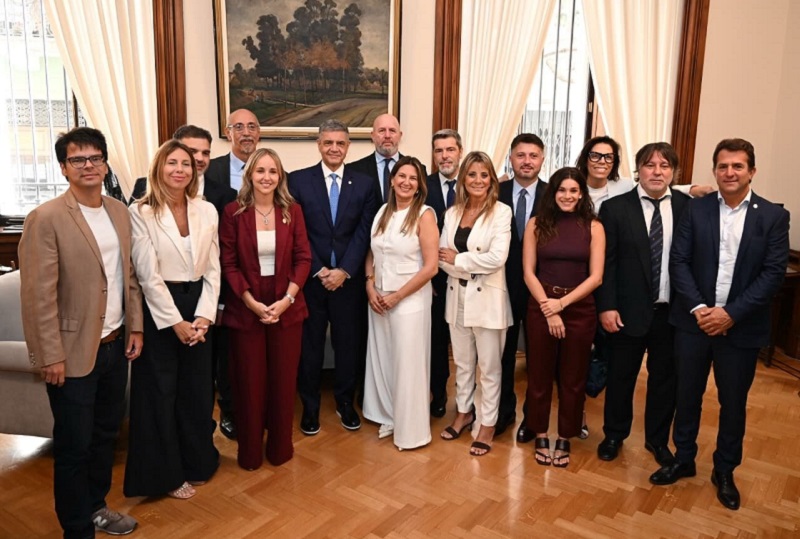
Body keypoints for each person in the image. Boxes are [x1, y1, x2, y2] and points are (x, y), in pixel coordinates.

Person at [650, 138, 790, 511]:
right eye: (723, 166)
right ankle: (683, 458)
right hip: (693, 322)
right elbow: (678, 261)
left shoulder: (773, 217)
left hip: (740, 329)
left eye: (738, 166)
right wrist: (699, 308)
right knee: (687, 395)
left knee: (733, 403)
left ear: (752, 172)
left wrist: (730, 314)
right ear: (714, 171)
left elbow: (773, 274)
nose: (730, 172)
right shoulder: (695, 211)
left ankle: (725, 471)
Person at [19, 127, 143, 538]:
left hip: (113, 346)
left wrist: (135, 327)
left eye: (95, 158)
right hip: (70, 352)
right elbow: (38, 295)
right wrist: (49, 355)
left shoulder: (118, 211)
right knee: (73, 446)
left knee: (105, 436)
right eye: (78, 160)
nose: (88, 166)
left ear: (105, 164)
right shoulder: (47, 217)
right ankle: (76, 528)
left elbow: (129, 278)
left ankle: (97, 507)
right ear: (63, 168)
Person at [125, 139, 221, 500]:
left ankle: (198, 462)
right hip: (160, 309)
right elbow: (147, 275)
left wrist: (204, 317)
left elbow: (214, 268)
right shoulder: (141, 212)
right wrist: (175, 322)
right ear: (159, 168)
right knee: (161, 395)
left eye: (186, 163)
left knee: (196, 393)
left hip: (198, 306)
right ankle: (166, 476)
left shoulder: (207, 210)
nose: (180, 169)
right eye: (172, 163)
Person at [595, 143, 690, 466]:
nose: (657, 171)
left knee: (665, 381)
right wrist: (606, 306)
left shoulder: (687, 207)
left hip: (671, 314)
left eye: (665, 165)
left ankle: (657, 440)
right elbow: (606, 264)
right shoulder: (615, 208)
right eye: (650, 165)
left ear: (674, 172)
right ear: (639, 169)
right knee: (621, 377)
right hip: (625, 311)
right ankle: (614, 434)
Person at [219, 148, 311, 469]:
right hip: (247, 310)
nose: (266, 177)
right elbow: (228, 263)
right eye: (260, 171)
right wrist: (251, 302)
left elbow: (304, 259)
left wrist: (286, 300)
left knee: (284, 383)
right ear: (249, 176)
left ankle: (280, 449)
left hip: (287, 309)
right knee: (249, 383)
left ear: (280, 176)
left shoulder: (293, 212)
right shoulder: (233, 212)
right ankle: (250, 453)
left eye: (273, 171)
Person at [288, 119, 379, 435]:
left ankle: (344, 403)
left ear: (348, 146)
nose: (334, 148)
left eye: (340, 143)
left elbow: (364, 232)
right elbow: (296, 233)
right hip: (310, 282)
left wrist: (345, 271)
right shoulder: (297, 181)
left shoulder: (365, 184)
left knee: (348, 346)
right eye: (328, 143)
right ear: (318, 144)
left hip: (348, 283)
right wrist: (318, 269)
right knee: (309, 348)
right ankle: (310, 409)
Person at [522, 167, 605, 468]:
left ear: (581, 193)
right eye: (561, 190)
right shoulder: (536, 224)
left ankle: (566, 436)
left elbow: (596, 277)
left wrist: (562, 304)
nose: (567, 196)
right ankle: (540, 431)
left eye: (573, 191)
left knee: (573, 377)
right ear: (552, 193)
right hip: (540, 305)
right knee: (540, 375)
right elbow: (528, 272)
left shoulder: (594, 226)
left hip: (580, 309)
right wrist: (548, 306)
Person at [438, 151, 513, 456]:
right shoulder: (452, 213)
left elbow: (498, 258)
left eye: (484, 175)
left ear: (492, 179)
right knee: (464, 364)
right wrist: (463, 263)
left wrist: (460, 260)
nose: (478, 181)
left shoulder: (502, 212)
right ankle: (464, 412)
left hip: (488, 301)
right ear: (463, 179)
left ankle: (488, 423)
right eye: (472, 175)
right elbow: (442, 260)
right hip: (457, 295)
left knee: (489, 368)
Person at [362, 156, 439, 449]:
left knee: (408, 364)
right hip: (379, 298)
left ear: (419, 185)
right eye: (401, 176)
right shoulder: (383, 211)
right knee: (385, 359)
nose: (406, 182)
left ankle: (411, 430)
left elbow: (431, 267)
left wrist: (397, 296)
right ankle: (388, 414)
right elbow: (372, 252)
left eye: (413, 178)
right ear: (392, 180)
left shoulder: (425, 215)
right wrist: (370, 285)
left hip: (409, 301)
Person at [205, 109, 262, 439]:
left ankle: (253, 408)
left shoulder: (271, 169)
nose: (245, 132)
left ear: (260, 133)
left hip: (258, 279)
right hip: (217, 275)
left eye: (252, 126)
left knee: (248, 350)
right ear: (228, 133)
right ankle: (229, 410)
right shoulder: (210, 171)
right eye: (238, 126)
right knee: (223, 351)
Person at [497, 133, 548, 441]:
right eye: (520, 155)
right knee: (500, 356)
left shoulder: (555, 194)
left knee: (539, 359)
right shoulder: (494, 191)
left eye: (533, 155)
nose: (526, 161)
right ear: (511, 159)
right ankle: (502, 413)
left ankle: (534, 420)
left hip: (540, 289)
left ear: (542, 159)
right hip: (499, 287)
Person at [425, 129, 463, 418]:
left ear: (460, 152)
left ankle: (468, 403)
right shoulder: (421, 186)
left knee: (467, 346)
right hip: (435, 282)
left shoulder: (476, 184)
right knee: (437, 343)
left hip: (471, 280)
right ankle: (438, 395)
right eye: (439, 151)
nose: (444, 156)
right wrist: (429, 277)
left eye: (450, 149)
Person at [130, 125, 237, 215]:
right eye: (192, 151)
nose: (200, 158)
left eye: (205, 153)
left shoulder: (226, 195)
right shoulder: (144, 186)